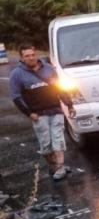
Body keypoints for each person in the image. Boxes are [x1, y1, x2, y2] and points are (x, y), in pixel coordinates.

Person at [9, 45, 76, 181]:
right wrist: (29, 113)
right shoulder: (17, 74)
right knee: (46, 145)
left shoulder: (49, 69)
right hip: (38, 114)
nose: (31, 58)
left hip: (55, 109)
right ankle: (55, 166)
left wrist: (69, 104)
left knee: (58, 138)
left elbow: (59, 88)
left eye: (33, 54)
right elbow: (16, 97)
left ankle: (61, 167)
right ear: (22, 58)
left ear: (36, 54)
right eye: (27, 56)